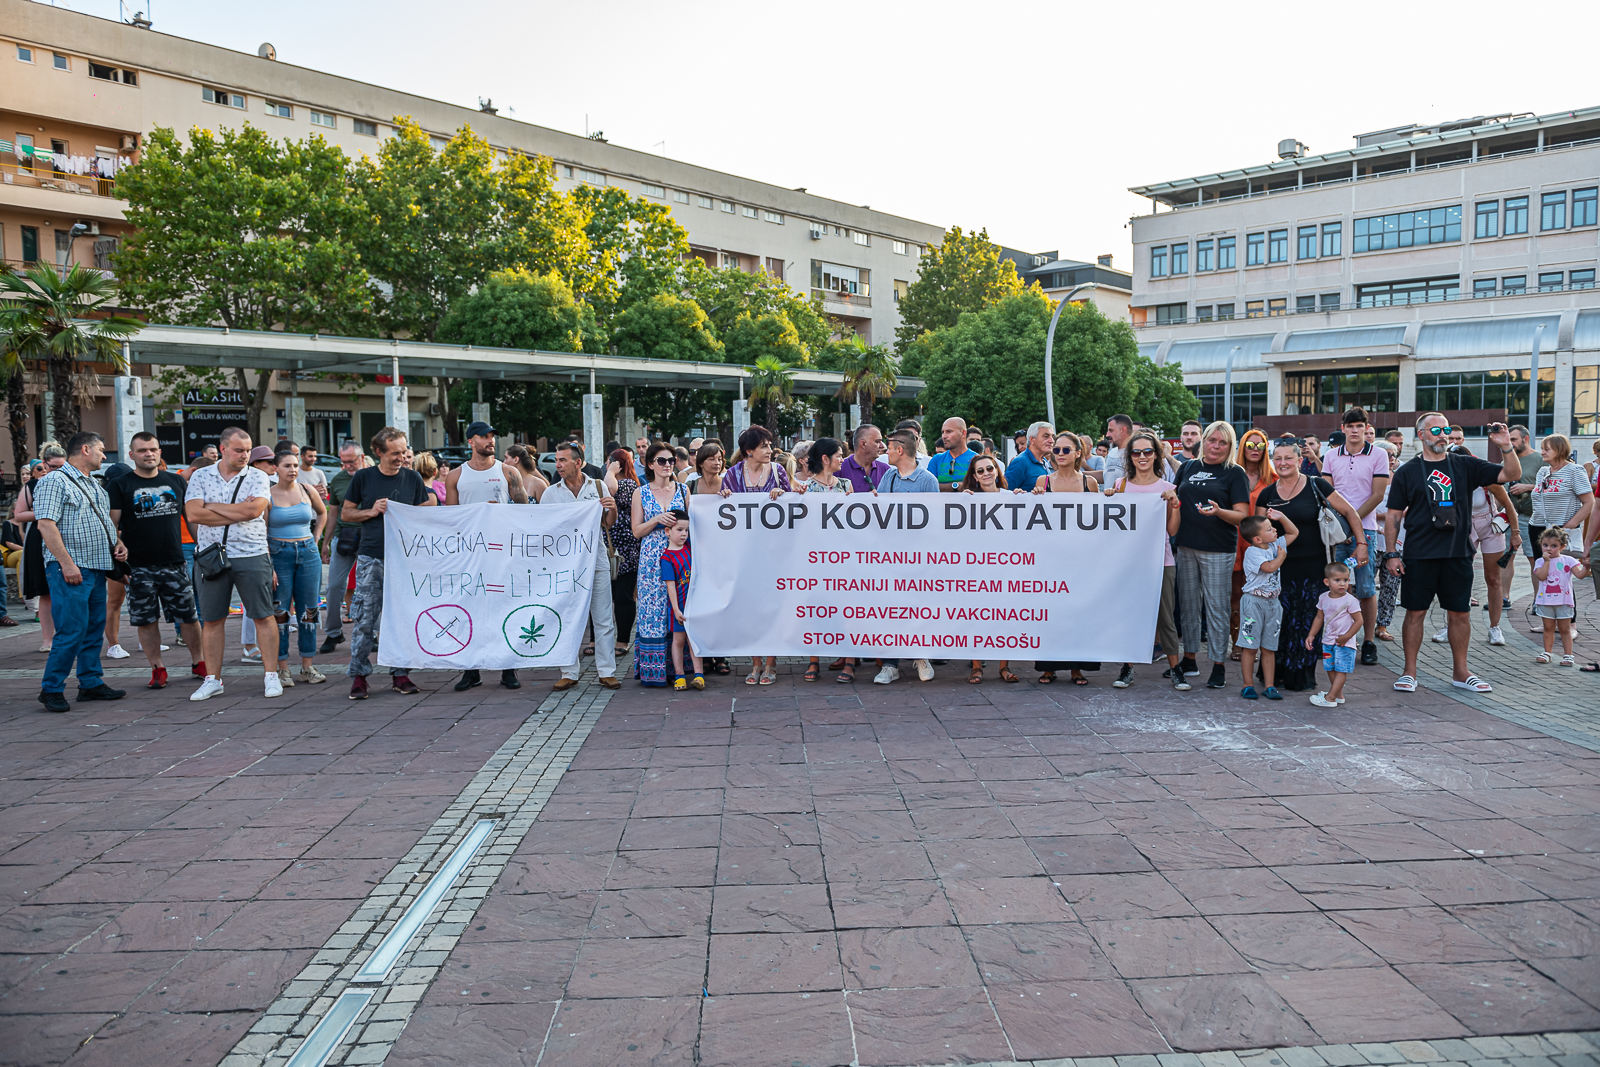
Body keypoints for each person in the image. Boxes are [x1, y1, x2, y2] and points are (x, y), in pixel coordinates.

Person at [1383, 415, 1522, 695]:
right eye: (1436, 430)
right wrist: (1391, 553)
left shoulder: (1466, 464)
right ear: (1421, 435)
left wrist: (1506, 446)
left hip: (1458, 553)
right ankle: (1409, 672)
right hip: (1419, 554)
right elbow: (1394, 516)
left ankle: (1461, 672)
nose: (1443, 435)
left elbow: (1511, 475)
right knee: (1415, 612)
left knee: (1460, 613)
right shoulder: (1408, 471)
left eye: (1446, 430)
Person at [1256, 439, 1367, 692]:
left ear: (1299, 460)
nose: (1283, 463)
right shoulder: (1267, 494)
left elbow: (1350, 512)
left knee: (1308, 621)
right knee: (1280, 621)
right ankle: (1276, 673)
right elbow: (1257, 531)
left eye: (1288, 458)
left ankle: (1301, 676)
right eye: (1278, 458)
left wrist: (1362, 544)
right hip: (1280, 568)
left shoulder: (1317, 485)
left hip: (1314, 566)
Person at [184, 427, 284, 701]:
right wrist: (236, 511)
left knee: (263, 615)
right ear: (223, 448)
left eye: (248, 450)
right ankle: (213, 679)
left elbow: (253, 511)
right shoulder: (201, 475)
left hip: (252, 552)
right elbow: (193, 513)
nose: (245, 455)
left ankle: (271, 676)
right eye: (239, 450)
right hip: (211, 554)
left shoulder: (258, 476)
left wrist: (212, 506)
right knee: (212, 619)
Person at [32, 432, 129, 712]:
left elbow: (105, 526)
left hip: (97, 567)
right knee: (71, 630)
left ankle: (90, 683)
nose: (104, 456)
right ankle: (51, 688)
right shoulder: (53, 480)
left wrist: (119, 545)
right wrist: (66, 563)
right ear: (85, 450)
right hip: (72, 569)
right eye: (100, 450)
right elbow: (46, 525)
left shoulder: (96, 486)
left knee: (92, 628)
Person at [342, 427, 435, 699]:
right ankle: (359, 676)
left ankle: (400, 673)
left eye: (404, 452)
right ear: (379, 452)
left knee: (402, 618)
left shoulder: (413, 478)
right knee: (365, 619)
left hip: (404, 560)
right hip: (373, 556)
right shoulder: (363, 477)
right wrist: (372, 511)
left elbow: (426, 510)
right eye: (395, 453)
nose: (402, 457)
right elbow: (347, 513)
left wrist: (409, 512)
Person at [106, 431, 204, 690]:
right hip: (138, 566)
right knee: (146, 619)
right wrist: (117, 552)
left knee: (189, 617)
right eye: (142, 450)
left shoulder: (176, 481)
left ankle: (200, 662)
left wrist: (201, 547)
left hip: (175, 561)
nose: (148, 454)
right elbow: (112, 526)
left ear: (160, 452)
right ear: (132, 455)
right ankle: (157, 668)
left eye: (153, 449)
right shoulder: (120, 484)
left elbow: (190, 519)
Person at [1101, 431, 1186, 691]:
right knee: (1130, 615)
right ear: (1130, 456)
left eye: (1147, 452)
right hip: (1129, 564)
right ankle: (1128, 666)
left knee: (1166, 618)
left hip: (1161, 561)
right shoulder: (1121, 487)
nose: (1142, 457)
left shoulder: (1168, 488)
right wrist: (1106, 501)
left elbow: (1173, 531)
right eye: (1136, 452)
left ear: (1156, 455)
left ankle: (1175, 668)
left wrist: (1174, 505)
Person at [1172, 422, 1251, 690]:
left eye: (1223, 443)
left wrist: (1218, 511)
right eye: (1212, 440)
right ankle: (1190, 658)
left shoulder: (1234, 473)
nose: (1216, 446)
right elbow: (1174, 499)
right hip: (1185, 545)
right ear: (1203, 441)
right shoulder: (1188, 467)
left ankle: (1218, 665)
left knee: (1217, 608)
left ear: (1230, 446)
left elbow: (1242, 516)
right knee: (1188, 606)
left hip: (1218, 548)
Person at [543, 442, 622, 693]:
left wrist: (613, 509)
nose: (558, 465)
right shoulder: (551, 493)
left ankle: (607, 672)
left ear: (578, 463)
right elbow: (543, 527)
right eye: (556, 460)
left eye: (563, 460)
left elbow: (607, 524)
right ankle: (568, 672)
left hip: (595, 559)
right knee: (567, 618)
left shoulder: (597, 486)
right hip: (564, 565)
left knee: (603, 618)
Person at [720, 426, 793, 683]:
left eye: (770, 445)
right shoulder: (731, 474)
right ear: (749, 451)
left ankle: (771, 664)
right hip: (745, 555)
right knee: (749, 608)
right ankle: (755, 663)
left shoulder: (778, 471)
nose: (769, 450)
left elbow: (794, 506)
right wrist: (725, 497)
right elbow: (724, 511)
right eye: (764, 446)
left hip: (774, 554)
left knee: (772, 608)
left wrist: (783, 495)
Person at [871, 429, 940, 685]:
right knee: (891, 610)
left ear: (900, 450)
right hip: (891, 556)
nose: (885, 451)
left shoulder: (927, 480)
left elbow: (933, 521)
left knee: (919, 608)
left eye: (888, 448)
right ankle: (891, 664)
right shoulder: (887, 477)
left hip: (919, 557)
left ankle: (921, 655)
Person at [1321, 408, 1390, 665]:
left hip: (1366, 530)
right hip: (1335, 531)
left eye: (1360, 425)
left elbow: (1377, 495)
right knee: (1337, 586)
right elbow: (1325, 494)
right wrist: (1343, 524)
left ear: (1366, 428)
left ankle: (1369, 640)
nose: (1354, 430)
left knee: (1365, 588)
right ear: (1343, 428)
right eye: (1350, 425)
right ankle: (1337, 637)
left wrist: (1353, 525)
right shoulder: (1330, 455)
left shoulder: (1379, 454)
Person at [960, 453, 1027, 685]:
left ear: (998, 471)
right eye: (980, 471)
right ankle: (976, 667)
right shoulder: (968, 499)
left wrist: (1028, 497)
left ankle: (1004, 666)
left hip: (1008, 568)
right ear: (975, 477)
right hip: (977, 569)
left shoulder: (1013, 497)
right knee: (976, 618)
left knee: (1005, 617)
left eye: (990, 468)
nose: (986, 473)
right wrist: (961, 501)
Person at [266, 450, 328, 686]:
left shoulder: (307, 490)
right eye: (287, 465)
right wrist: (269, 565)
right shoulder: (268, 495)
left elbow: (323, 513)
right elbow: (262, 532)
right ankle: (282, 668)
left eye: (294, 465)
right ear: (276, 468)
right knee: (280, 611)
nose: (292, 469)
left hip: (308, 552)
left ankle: (307, 667)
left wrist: (316, 537)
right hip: (279, 554)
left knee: (309, 610)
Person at [633, 441, 691, 687]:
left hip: (679, 559)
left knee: (678, 606)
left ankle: (682, 668)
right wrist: (657, 519)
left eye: (671, 460)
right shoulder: (641, 492)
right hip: (651, 560)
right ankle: (654, 670)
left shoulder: (683, 490)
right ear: (650, 464)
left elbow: (695, 525)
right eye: (661, 461)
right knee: (653, 610)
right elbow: (636, 531)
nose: (667, 465)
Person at [797, 438, 854, 682]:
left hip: (845, 558)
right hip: (815, 559)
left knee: (849, 610)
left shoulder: (846, 485)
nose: (843, 459)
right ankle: (813, 660)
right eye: (839, 455)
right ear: (825, 459)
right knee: (815, 609)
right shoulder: (805, 488)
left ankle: (850, 661)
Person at [1226, 429, 1277, 663]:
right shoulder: (1230, 474)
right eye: (1250, 445)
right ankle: (1240, 644)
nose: (1254, 450)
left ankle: (1262, 645)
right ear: (1242, 447)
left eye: (1260, 445)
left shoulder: (1274, 479)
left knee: (1262, 596)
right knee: (1237, 596)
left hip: (1262, 548)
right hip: (1233, 541)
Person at [1236, 510, 1298, 700]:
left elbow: (1294, 532)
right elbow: (1269, 567)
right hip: (1253, 602)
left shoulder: (1273, 545)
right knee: (1250, 645)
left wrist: (1282, 517)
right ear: (1257, 538)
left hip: (1272, 602)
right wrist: (1281, 558)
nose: (1275, 531)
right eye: (1270, 529)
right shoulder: (1253, 552)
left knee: (1269, 646)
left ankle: (1269, 686)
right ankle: (1248, 685)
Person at [1453, 479, 1520, 647]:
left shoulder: (1484, 479)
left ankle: (1495, 628)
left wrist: (1516, 533)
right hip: (1465, 524)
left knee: (1493, 578)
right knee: (1459, 576)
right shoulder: (1451, 479)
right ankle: (1451, 626)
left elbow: (1508, 504)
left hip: (1489, 525)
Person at [16, 444, 68, 650]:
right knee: (46, 593)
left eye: (62, 466)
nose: (57, 470)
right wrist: (47, 513)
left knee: (70, 590)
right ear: (44, 465)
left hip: (67, 537)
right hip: (39, 538)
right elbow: (19, 514)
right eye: (52, 466)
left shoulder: (71, 483)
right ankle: (48, 639)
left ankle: (69, 637)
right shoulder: (31, 486)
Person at [318, 441, 366, 654]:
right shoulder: (338, 480)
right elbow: (333, 514)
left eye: (351, 461)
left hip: (369, 537)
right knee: (335, 586)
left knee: (369, 588)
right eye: (343, 462)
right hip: (343, 537)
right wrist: (325, 542)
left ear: (362, 457)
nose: (347, 466)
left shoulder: (373, 476)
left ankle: (370, 632)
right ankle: (333, 632)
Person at [1528, 433, 1593, 562]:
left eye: (1547, 449)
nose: (1542, 453)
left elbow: (1589, 502)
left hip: (1560, 529)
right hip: (1537, 527)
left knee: (1559, 570)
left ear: (1560, 450)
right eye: (1542, 449)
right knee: (1540, 568)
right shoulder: (1543, 471)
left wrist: (1569, 526)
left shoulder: (1574, 470)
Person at [1307, 561, 1362, 708]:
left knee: (1341, 669)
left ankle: (1330, 698)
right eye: (1337, 580)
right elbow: (1319, 617)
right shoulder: (1323, 598)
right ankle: (1338, 695)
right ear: (1327, 582)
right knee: (1330, 667)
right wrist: (1312, 634)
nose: (1342, 584)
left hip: (1344, 643)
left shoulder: (1351, 601)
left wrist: (1347, 636)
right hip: (1328, 641)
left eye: (1345, 580)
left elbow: (1359, 621)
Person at [659, 509, 702, 690]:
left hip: (695, 605)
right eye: (679, 530)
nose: (684, 534)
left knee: (695, 641)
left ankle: (699, 675)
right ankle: (680, 676)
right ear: (667, 531)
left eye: (686, 530)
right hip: (679, 608)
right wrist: (676, 609)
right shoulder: (667, 558)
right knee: (678, 641)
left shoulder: (689, 548)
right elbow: (670, 586)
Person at [1532, 528, 1587, 666]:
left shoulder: (1569, 560)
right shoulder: (1540, 562)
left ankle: (1568, 655)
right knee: (1548, 627)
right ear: (1541, 545)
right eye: (1545, 545)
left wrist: (1587, 566)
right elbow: (1541, 576)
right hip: (1545, 601)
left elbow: (1580, 575)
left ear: (1562, 546)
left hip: (1564, 601)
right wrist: (1547, 562)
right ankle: (1547, 652)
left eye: (1554, 546)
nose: (1549, 548)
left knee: (1564, 629)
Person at [606, 448, 641, 659]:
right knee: (610, 596)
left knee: (623, 596)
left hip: (626, 548)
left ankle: (622, 640)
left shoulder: (628, 484)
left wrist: (610, 471)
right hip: (612, 546)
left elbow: (609, 489)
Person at [1373, 442, 1403, 643]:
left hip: (1397, 542)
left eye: (1394, 454)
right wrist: (1389, 515)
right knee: (1363, 587)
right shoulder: (1369, 478)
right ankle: (1356, 626)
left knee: (1391, 587)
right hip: (1372, 540)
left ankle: (1382, 625)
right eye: (1387, 454)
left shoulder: (1401, 479)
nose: (1391, 458)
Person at [1033, 434, 1100, 496]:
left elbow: (1097, 506)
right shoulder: (1043, 481)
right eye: (1056, 450)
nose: (1061, 453)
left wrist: (1109, 495)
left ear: (1078, 453)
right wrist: (1025, 495)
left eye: (1066, 450)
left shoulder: (1090, 482)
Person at [927, 417, 974, 490]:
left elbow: (979, 487)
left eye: (949, 431)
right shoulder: (937, 459)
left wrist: (942, 487)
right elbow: (928, 487)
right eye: (943, 432)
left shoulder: (976, 459)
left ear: (963, 433)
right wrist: (956, 486)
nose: (944, 436)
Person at [1005, 421, 1053, 492]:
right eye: (1046, 436)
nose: (1051, 440)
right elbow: (1004, 493)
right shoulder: (1020, 462)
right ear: (1032, 440)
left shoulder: (1044, 461)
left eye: (1052, 436)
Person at [840, 424, 889, 494]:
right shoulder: (839, 469)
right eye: (877, 442)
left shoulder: (886, 470)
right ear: (863, 444)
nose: (881, 446)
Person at [1101, 414, 1134, 488]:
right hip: (1108, 499)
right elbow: (1108, 476)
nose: (1107, 435)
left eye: (1111, 430)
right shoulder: (1112, 452)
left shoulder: (1136, 453)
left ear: (1123, 430)